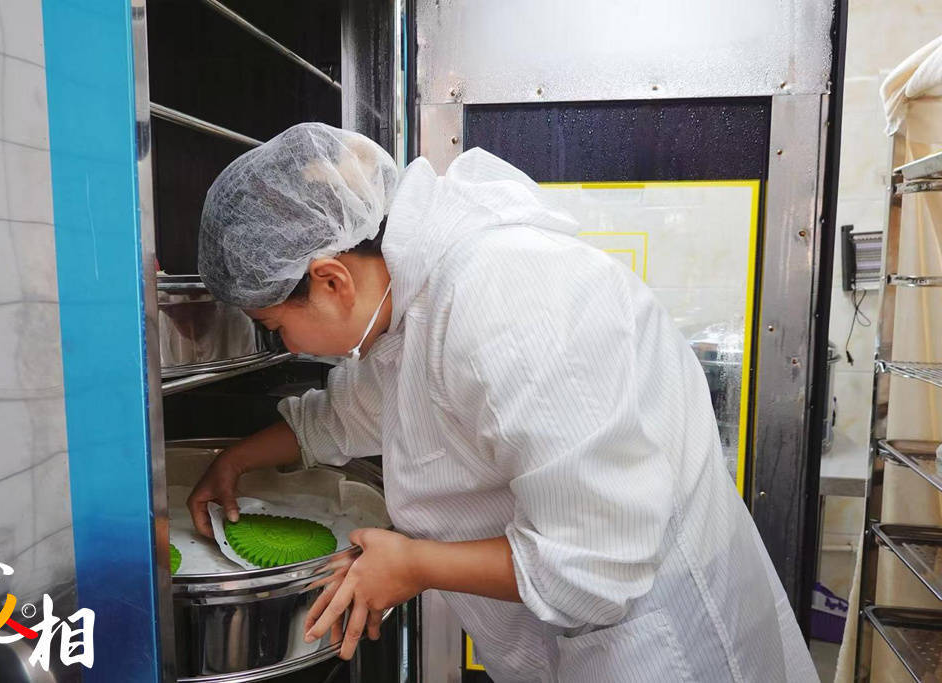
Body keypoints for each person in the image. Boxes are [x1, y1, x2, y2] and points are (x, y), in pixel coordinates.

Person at [188, 122, 818, 682]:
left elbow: (596, 562)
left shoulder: (509, 299)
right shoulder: (414, 299)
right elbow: (347, 415)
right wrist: (235, 461)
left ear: (332, 280)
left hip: (663, 651)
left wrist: (415, 565)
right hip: (578, 647)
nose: (287, 346)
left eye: (276, 327)